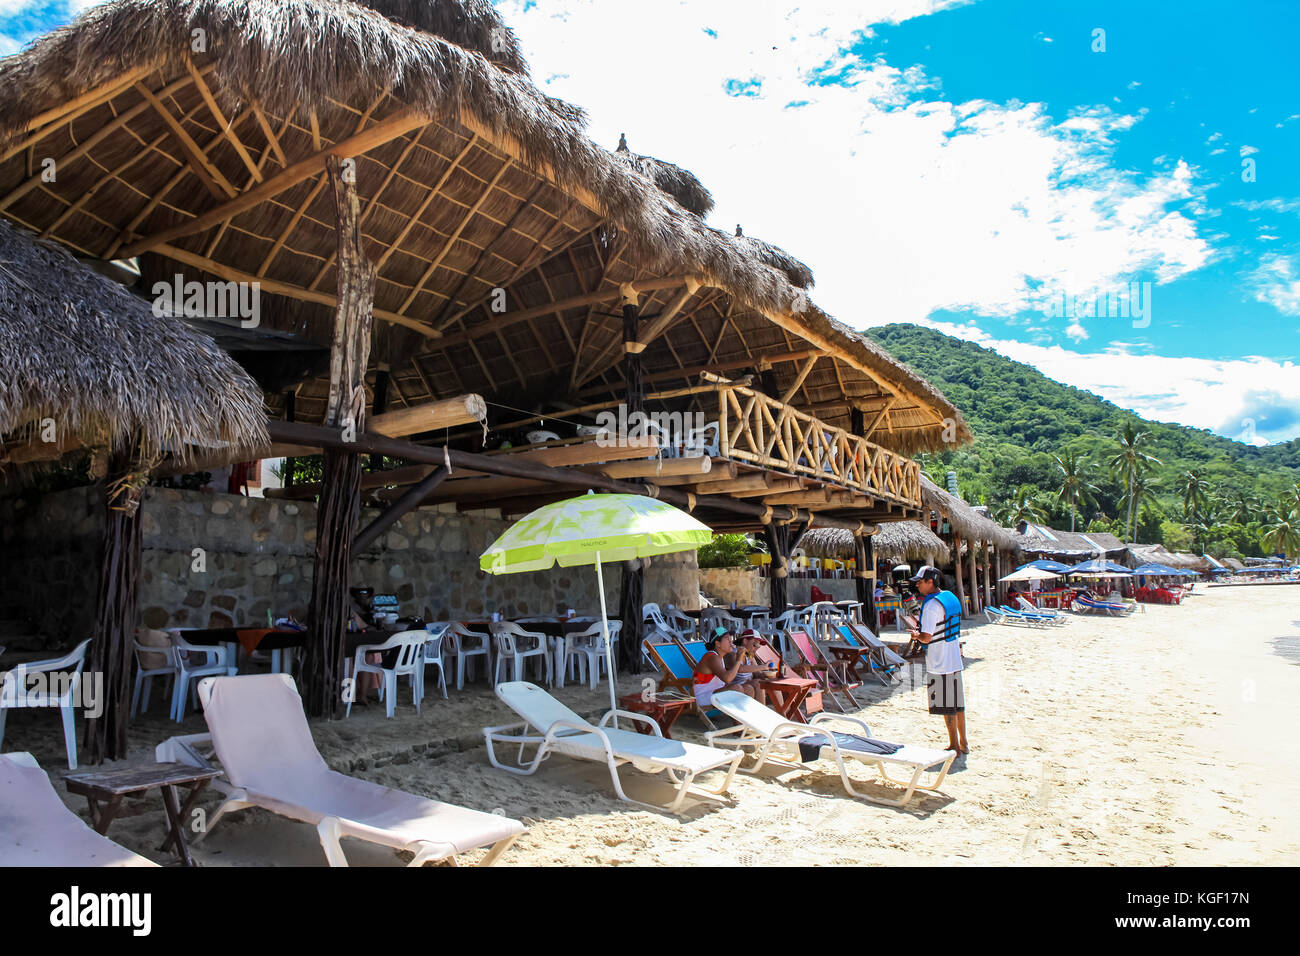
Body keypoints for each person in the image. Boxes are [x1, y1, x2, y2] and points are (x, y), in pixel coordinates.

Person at [906, 565, 968, 754]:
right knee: (958, 704)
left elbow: (926, 637)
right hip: (954, 658)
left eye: (920, 582)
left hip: (940, 661)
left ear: (930, 581)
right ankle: (964, 742)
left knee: (946, 705)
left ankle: (954, 745)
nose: (917, 586)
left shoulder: (932, 605)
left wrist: (916, 635)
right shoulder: (950, 597)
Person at [693, 627, 769, 707]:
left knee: (750, 687)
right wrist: (738, 660)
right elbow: (727, 679)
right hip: (703, 697)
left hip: (714, 694)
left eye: (731, 639)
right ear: (718, 643)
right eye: (727, 639)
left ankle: (754, 718)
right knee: (737, 688)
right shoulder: (712, 657)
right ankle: (740, 719)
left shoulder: (720, 657)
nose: (731, 641)